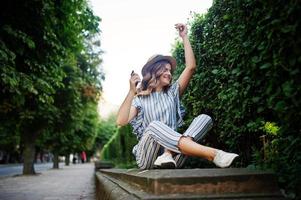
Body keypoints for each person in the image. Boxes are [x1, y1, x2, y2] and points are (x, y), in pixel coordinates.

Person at [116, 23, 238, 169]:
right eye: (165, 69)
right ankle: (214, 154)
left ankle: (167, 154)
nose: (169, 72)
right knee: (154, 125)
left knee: (205, 119)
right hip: (147, 158)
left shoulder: (172, 93)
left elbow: (191, 67)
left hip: (175, 158)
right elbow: (121, 121)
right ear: (154, 71)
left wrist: (184, 36)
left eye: (170, 70)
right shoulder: (139, 100)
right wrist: (131, 92)